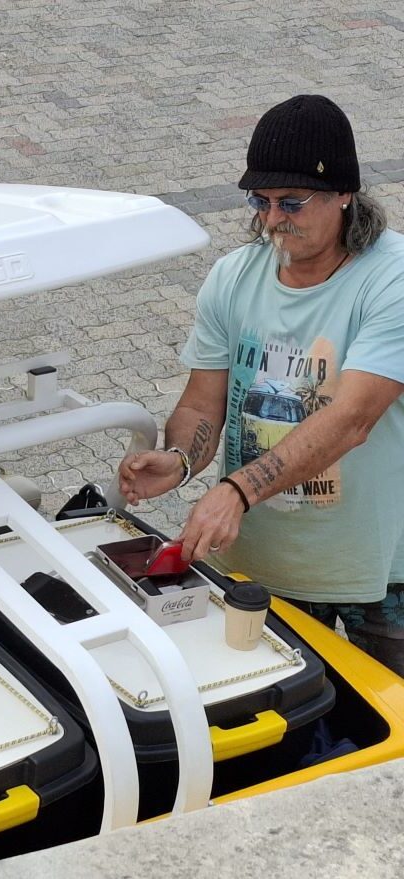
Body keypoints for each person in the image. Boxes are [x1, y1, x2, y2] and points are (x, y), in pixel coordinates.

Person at [118, 94, 404, 676]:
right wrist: (179, 460)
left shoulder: (391, 280)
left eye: (292, 202)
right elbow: (203, 400)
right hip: (258, 569)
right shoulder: (233, 276)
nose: (273, 219)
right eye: (261, 201)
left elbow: (353, 419)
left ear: (344, 195)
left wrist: (239, 490)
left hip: (383, 573)